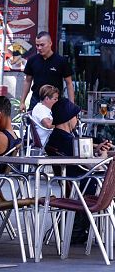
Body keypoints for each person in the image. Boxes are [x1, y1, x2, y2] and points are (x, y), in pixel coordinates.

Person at [45, 98, 111, 244]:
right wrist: (103, 156)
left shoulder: (57, 138)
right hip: (85, 186)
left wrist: (96, 152)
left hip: (75, 184)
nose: (77, 119)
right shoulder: (68, 140)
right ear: (69, 118)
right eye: (76, 116)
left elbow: (84, 162)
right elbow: (96, 167)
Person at [20, 31, 74, 112]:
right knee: (32, 123)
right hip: (36, 99)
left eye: (42, 45)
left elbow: (69, 83)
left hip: (55, 100)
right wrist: (22, 102)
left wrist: (71, 104)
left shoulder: (61, 61)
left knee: (54, 124)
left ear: (50, 43)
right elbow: (27, 81)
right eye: (37, 45)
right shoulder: (32, 60)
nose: (39, 48)